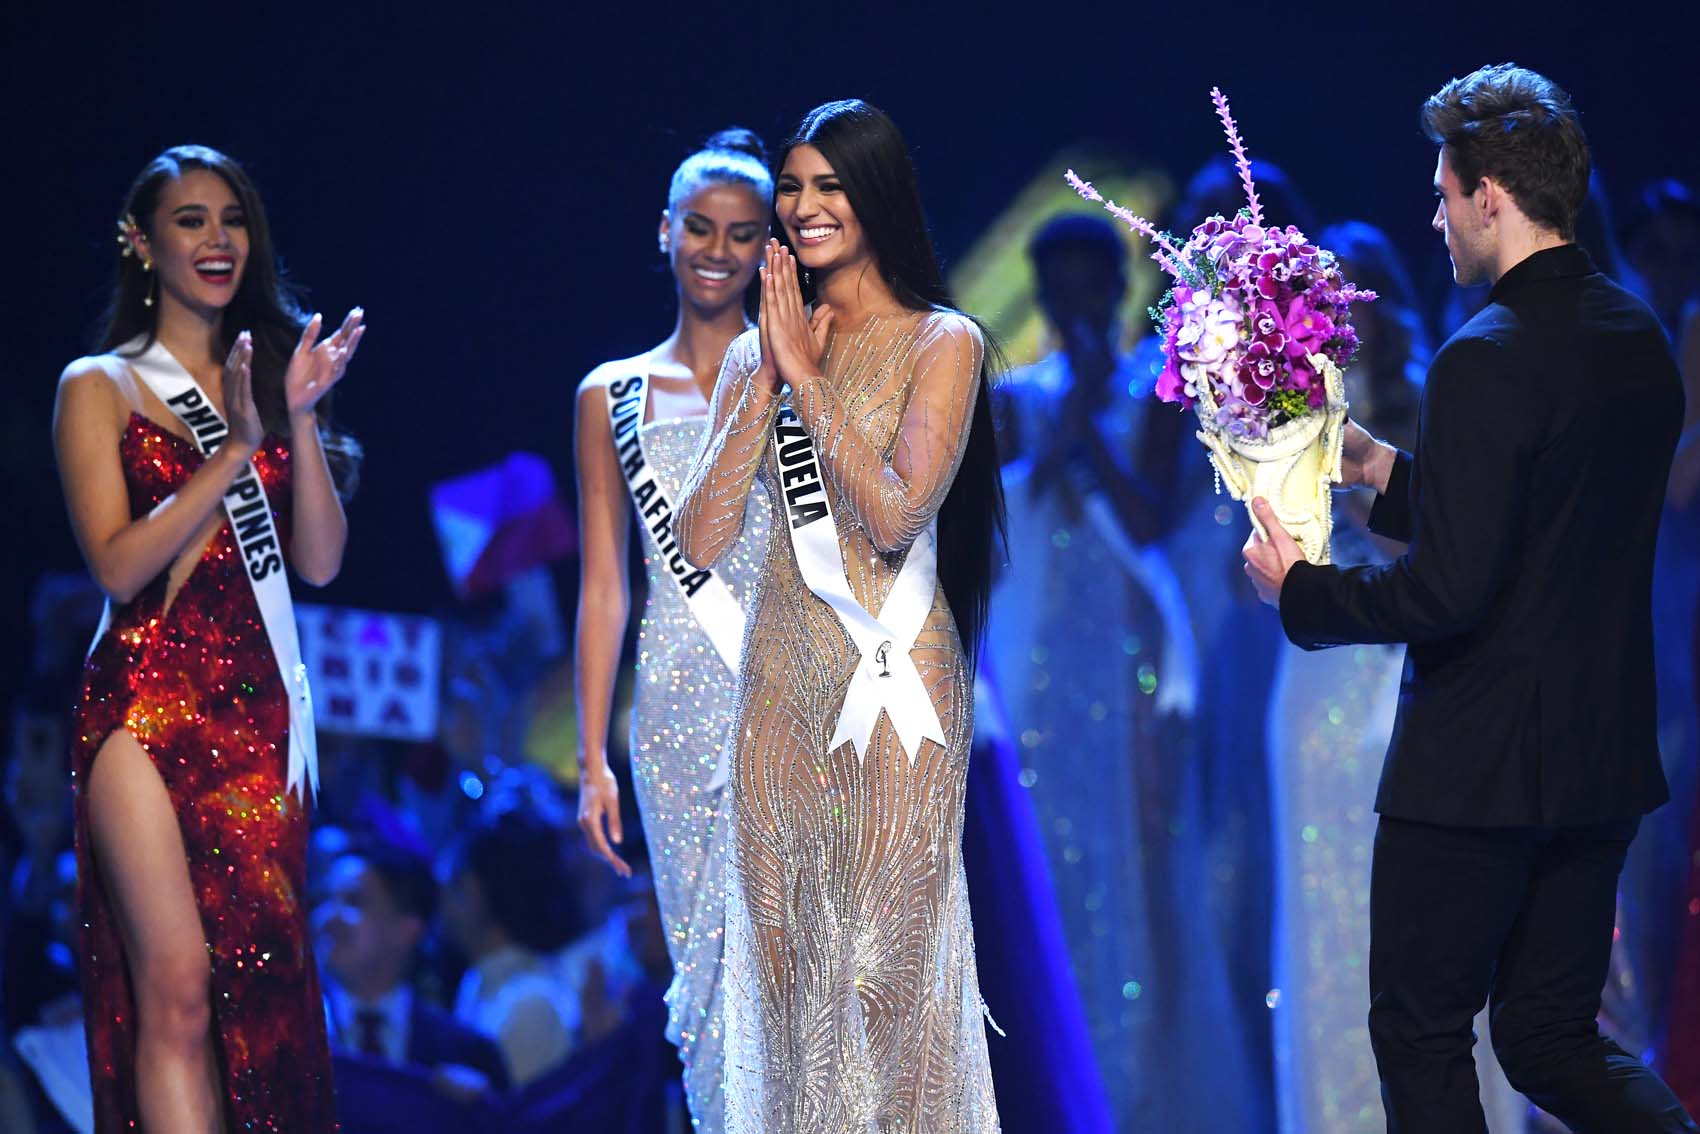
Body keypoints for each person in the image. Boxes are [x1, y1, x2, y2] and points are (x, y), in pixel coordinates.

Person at [1242, 64, 1697, 1132]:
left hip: (1476, 772)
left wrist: (1299, 595)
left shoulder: (1481, 356)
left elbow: (1449, 589)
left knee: (1420, 1034)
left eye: (1443, 194)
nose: (1434, 218)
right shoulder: (1637, 342)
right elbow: (1531, 526)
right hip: (1596, 761)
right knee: (1547, 1039)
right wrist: (1372, 464)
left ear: (1489, 194)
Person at [676, 98, 1003, 1132]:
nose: (805, 207)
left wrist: (809, 379)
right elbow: (696, 540)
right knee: (787, 986)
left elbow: (899, 514)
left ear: (876, 195)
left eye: (828, 186)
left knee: (882, 986)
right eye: (792, 187)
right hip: (779, 685)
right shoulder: (756, 352)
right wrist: (766, 375)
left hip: (896, 684)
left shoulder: (942, 340)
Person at [54, 144, 363, 1132]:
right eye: (190, 219)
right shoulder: (98, 385)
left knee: (259, 991)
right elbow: (115, 566)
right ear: (142, 243)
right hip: (140, 707)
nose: (217, 237)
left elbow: (317, 563)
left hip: (257, 718)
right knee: (179, 983)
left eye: (230, 218)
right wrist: (231, 450)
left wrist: (297, 421)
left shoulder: (270, 382)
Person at [572, 127, 774, 1132]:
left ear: (764, 249)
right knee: (702, 976)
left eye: (741, 234)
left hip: (784, 688)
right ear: (664, 231)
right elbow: (604, 584)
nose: (715, 250)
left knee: (793, 962)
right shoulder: (608, 394)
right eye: (698, 227)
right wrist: (588, 756)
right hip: (672, 702)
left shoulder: (791, 375)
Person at [983, 211, 1188, 1128]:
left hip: (1134, 656)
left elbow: (1149, 522)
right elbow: (999, 529)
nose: (1073, 308)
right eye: (1056, 293)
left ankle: (1142, 1083)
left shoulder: (1157, 391)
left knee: (1141, 856)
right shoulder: (1018, 398)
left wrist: (1088, 427)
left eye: (1088, 288)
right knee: (1057, 856)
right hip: (1044, 661)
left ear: (1115, 289)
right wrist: (1058, 424)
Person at [316, 839, 508, 1094]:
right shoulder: (291, 1037)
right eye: (325, 899)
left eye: (354, 902)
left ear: (408, 929)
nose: (328, 918)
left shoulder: (466, 1053)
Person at [439, 799, 580, 1088]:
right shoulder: (478, 981)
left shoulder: (530, 1005)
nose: (443, 905)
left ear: (477, 892)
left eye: (456, 886)